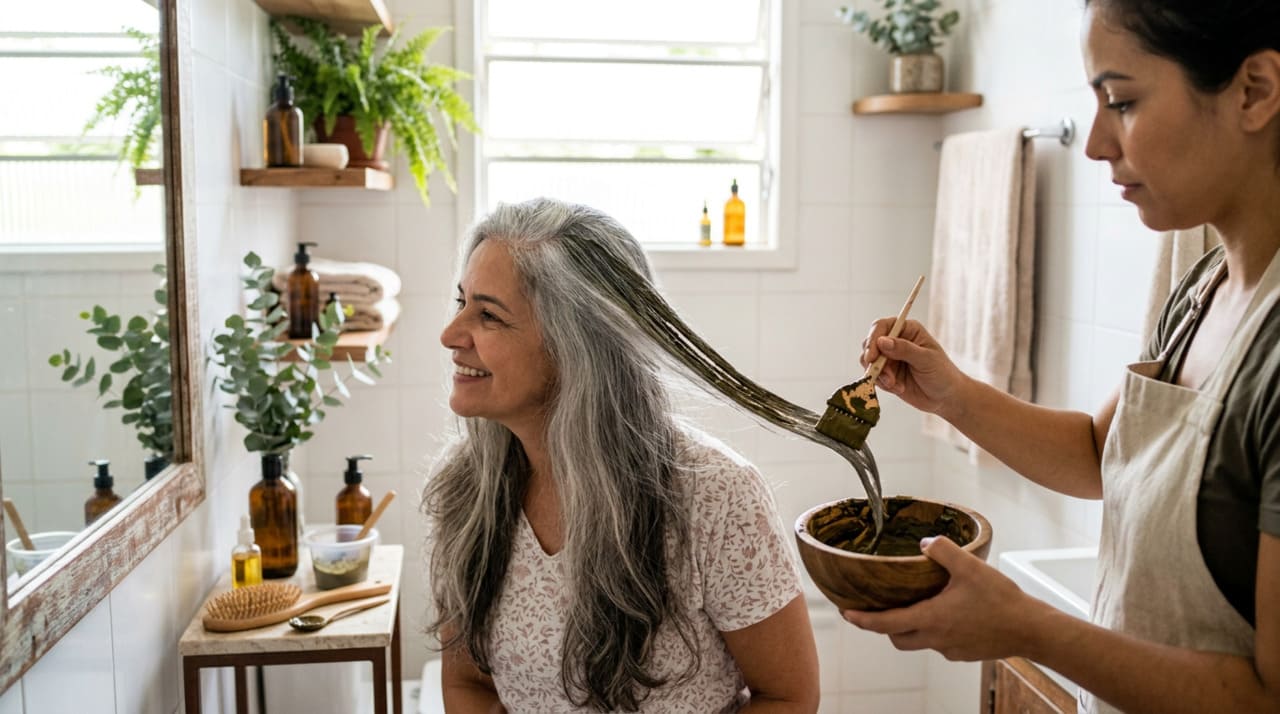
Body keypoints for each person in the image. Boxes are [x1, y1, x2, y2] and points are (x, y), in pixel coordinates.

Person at [842, 2, 1280, 713]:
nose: (1097, 143)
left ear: (1254, 90)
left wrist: (1025, 627)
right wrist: (948, 391)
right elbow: (1099, 454)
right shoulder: (1204, 290)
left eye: (1125, 100)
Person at [424, 197, 828, 712]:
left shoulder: (714, 493)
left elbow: (790, 696)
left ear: (579, 346)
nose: (451, 335)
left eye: (488, 315)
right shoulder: (463, 487)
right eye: (461, 302)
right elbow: (469, 685)